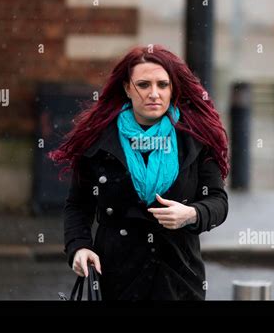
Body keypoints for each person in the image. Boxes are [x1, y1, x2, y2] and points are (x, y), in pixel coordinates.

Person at [49, 44, 229, 300]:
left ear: (173, 89)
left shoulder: (195, 139)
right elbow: (77, 205)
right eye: (143, 85)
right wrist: (79, 248)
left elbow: (218, 202)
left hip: (178, 278)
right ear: (126, 88)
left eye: (163, 85)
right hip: (117, 277)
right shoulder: (99, 140)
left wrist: (191, 214)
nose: (154, 94)